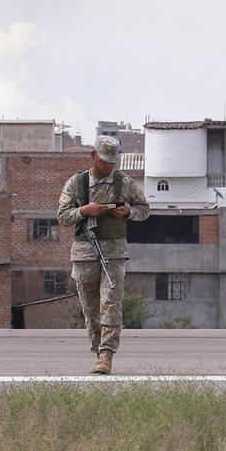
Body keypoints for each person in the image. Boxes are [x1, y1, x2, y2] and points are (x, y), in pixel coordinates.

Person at [55, 134, 149, 375]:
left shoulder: (124, 183)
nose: (108, 166)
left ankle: (107, 355)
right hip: (85, 254)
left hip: (114, 254)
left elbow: (144, 210)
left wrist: (127, 212)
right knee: (90, 309)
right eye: (104, 161)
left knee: (110, 304)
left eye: (112, 162)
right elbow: (63, 216)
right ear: (93, 156)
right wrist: (85, 211)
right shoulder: (76, 184)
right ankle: (98, 352)